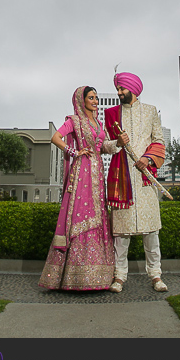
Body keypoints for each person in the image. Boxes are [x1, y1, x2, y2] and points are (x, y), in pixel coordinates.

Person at [39, 86, 119, 291]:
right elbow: (55, 137)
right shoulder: (74, 121)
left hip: (98, 174)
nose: (95, 101)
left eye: (96, 98)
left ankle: (98, 275)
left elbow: (102, 147)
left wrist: (118, 142)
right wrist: (74, 151)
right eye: (91, 98)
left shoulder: (98, 123)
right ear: (81, 100)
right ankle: (74, 277)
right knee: (81, 216)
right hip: (82, 173)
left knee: (99, 215)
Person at [104, 71, 167, 293]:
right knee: (121, 234)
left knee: (151, 234)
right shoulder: (111, 114)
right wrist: (117, 143)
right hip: (121, 179)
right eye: (118, 89)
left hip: (144, 179)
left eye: (122, 88)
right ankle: (119, 276)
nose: (119, 92)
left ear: (134, 88)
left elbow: (159, 141)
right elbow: (104, 146)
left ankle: (156, 275)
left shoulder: (150, 111)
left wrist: (147, 159)